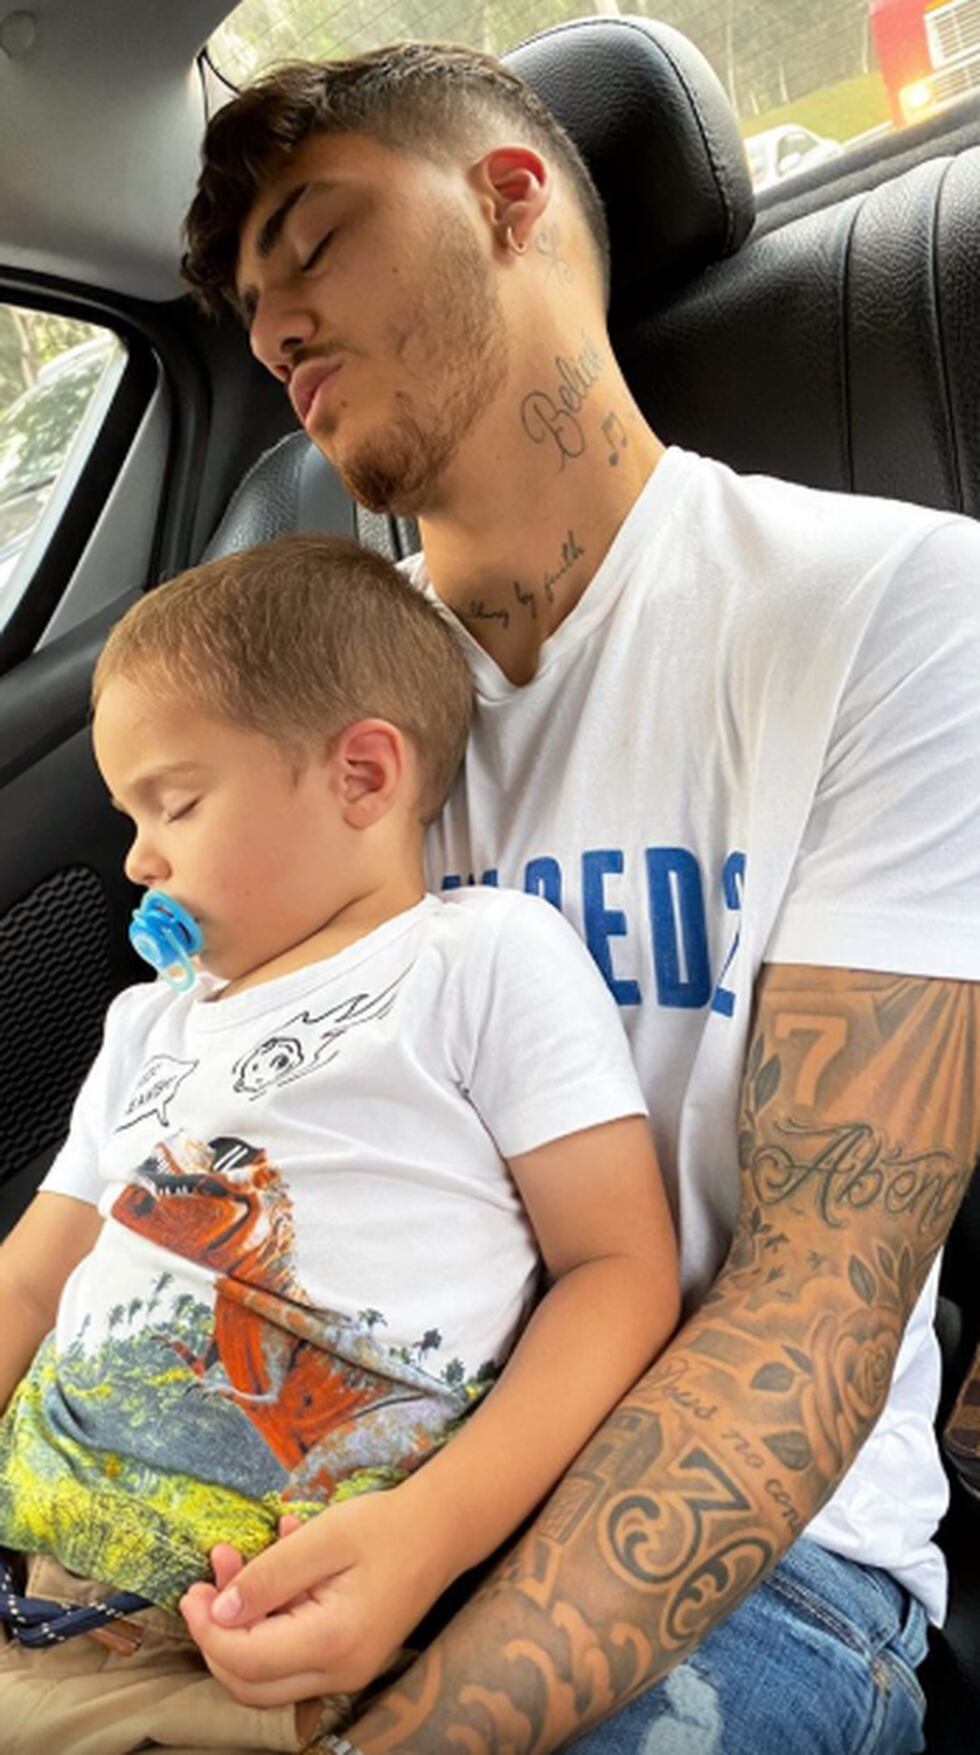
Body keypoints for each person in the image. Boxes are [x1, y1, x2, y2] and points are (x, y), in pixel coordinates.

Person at [176, 39, 980, 1755]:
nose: (274, 332)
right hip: (333, 1479)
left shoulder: (893, 611)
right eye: (251, 311)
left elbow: (812, 1305)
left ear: (509, 200)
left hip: (762, 1557)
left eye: (313, 244)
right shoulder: (310, 730)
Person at [0, 533, 680, 1755]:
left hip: (276, 1630)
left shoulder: (479, 961)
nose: (139, 859)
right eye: (130, 817)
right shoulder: (147, 1024)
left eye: (174, 804)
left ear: (362, 776)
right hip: (36, 1583)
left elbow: (614, 1269)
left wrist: (432, 1535)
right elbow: (32, 1280)